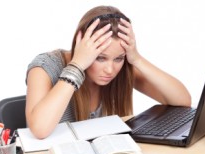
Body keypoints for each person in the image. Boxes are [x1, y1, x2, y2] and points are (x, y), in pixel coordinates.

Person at [25, 5, 191, 139]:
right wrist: (77, 65)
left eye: (118, 59)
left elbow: (182, 100)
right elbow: (40, 129)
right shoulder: (44, 67)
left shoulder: (122, 69)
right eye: (100, 58)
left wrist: (137, 59)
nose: (110, 70)